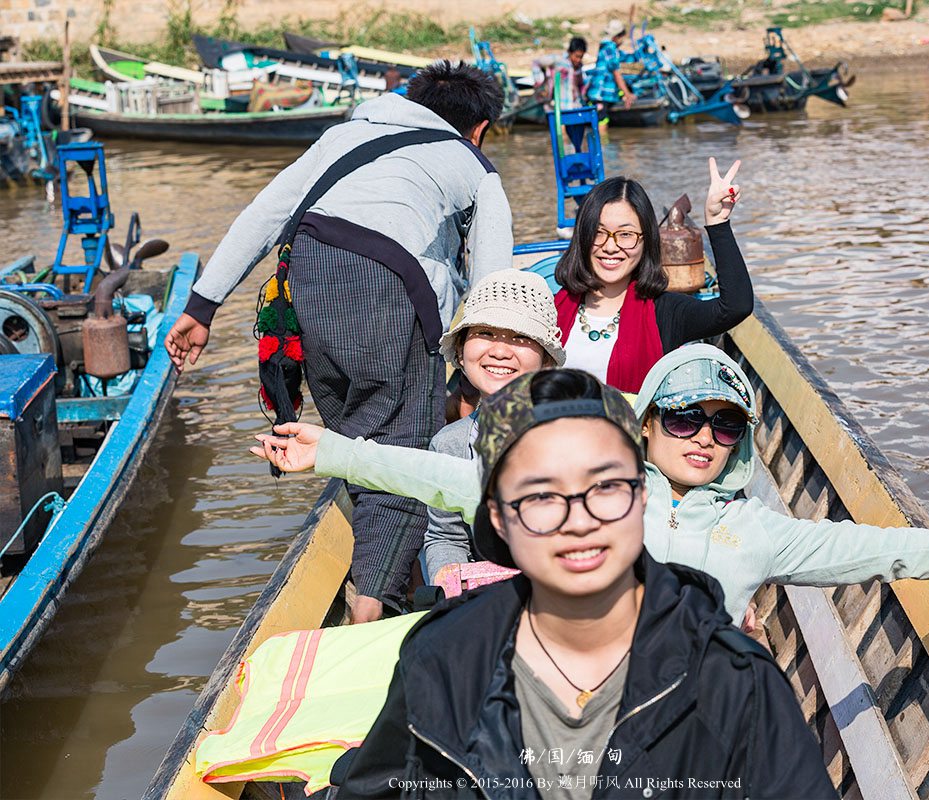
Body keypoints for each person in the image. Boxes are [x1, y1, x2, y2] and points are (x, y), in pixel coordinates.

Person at [251, 346, 929, 629]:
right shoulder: (597, 485)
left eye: (727, 425)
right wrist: (333, 452)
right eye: (685, 418)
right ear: (648, 420)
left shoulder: (760, 529)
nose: (704, 438)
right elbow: (447, 475)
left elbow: (879, 549)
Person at [334, 369, 836, 799]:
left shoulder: (733, 681)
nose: (579, 521)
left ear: (641, 498)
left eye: (606, 487)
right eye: (541, 496)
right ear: (500, 518)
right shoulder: (443, 660)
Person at [170, 61, 513, 624]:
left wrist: (201, 307)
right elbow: (493, 284)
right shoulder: (473, 166)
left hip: (309, 288)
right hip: (392, 296)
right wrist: (485, 377)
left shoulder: (341, 136)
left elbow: (266, 213)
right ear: (478, 129)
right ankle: (372, 605)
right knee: (401, 451)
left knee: (355, 441)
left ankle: (377, 575)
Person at [553, 160, 752, 393]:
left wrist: (718, 224)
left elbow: (736, 307)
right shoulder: (552, 308)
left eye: (626, 234)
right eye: (598, 232)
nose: (610, 246)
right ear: (582, 237)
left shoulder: (663, 312)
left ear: (646, 240)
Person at [425, 269, 565, 583]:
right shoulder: (449, 444)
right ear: (461, 352)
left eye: (520, 337)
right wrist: (450, 582)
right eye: (485, 333)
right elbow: (446, 537)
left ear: (545, 360)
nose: (500, 351)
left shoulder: (579, 434)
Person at [585, 21, 636, 127]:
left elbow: (626, 57)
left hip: (603, 94)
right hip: (600, 94)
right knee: (602, 124)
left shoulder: (607, 48)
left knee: (602, 121)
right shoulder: (610, 49)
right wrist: (627, 94)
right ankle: (602, 143)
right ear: (618, 37)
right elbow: (616, 73)